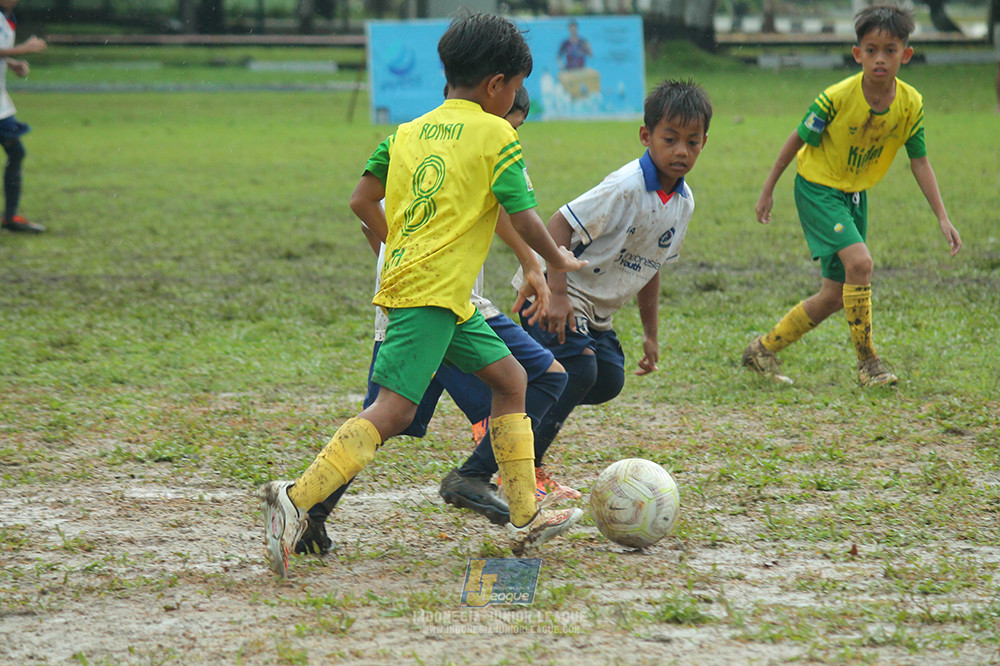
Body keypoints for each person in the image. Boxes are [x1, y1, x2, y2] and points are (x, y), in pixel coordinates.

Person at [258, 12, 587, 577]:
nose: (514, 98)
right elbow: (521, 212)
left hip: (439, 293)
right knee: (394, 410)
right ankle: (296, 499)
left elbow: (363, 200)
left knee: (512, 379)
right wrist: (555, 259)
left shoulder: (406, 132)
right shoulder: (497, 132)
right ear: (496, 86)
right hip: (433, 295)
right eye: (514, 86)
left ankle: (525, 515)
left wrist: (399, 251)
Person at [742, 4, 962, 388]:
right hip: (817, 187)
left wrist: (942, 217)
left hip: (854, 195)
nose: (880, 59)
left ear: (905, 55)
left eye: (890, 50)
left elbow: (920, 162)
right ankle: (868, 363)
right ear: (857, 53)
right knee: (860, 263)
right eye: (871, 49)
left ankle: (762, 348)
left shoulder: (912, 105)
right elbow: (797, 138)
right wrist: (767, 189)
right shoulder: (836, 97)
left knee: (833, 294)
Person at [513, 79, 711, 482]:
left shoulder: (683, 204)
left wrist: (650, 335)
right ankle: (520, 465)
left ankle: (516, 393)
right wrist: (559, 295)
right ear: (646, 136)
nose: (681, 151)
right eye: (670, 139)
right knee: (579, 372)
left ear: (704, 143)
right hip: (555, 293)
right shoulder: (625, 187)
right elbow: (559, 224)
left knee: (607, 380)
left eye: (692, 142)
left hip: (597, 309)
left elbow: (651, 266)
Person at [0, 0, 45, 234]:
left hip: (1, 103)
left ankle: (10, 217)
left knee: (16, 152)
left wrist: (13, 62)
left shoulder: (8, 17)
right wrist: (22, 50)